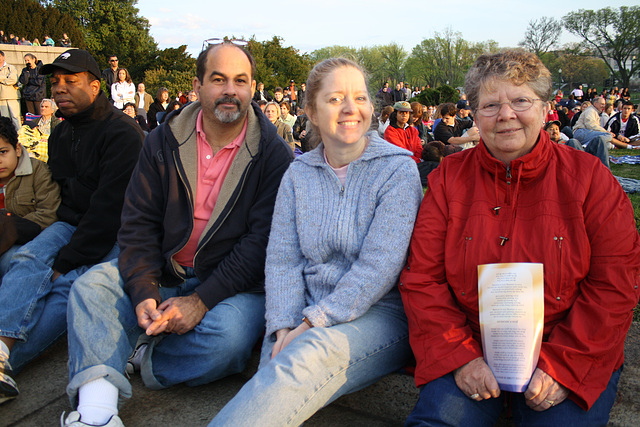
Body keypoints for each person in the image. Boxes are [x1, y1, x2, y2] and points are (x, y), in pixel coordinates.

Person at [400, 50, 640, 427]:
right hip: (469, 348)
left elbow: (616, 284)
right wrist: (460, 357)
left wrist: (564, 366)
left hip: (569, 351)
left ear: (545, 108)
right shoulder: (448, 180)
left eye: (521, 101)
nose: (506, 114)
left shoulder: (591, 180)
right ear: (475, 116)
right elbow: (422, 279)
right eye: (490, 104)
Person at [61, 40, 292, 427]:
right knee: (89, 288)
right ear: (198, 85)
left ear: (253, 87)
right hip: (166, 271)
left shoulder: (274, 154)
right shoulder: (162, 141)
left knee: (229, 341)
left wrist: (201, 302)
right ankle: (96, 411)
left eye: (241, 80)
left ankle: (143, 357)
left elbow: (260, 244)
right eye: (218, 79)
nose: (231, 91)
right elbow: (137, 223)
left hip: (231, 285)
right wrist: (144, 288)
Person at [211, 57, 422, 427]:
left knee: (308, 353)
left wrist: (308, 326)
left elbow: (379, 267)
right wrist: (281, 328)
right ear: (310, 110)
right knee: (277, 359)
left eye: (359, 97)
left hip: (380, 314)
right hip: (305, 306)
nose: (350, 108)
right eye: (336, 98)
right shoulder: (298, 173)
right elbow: (282, 261)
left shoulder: (397, 169)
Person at [0, 49, 144, 404]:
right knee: (28, 258)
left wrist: (65, 261)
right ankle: (1, 352)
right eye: (56, 82)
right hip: (70, 224)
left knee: (68, 287)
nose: (60, 88)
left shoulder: (124, 134)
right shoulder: (59, 135)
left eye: (70, 80)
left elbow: (109, 211)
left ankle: (10, 360)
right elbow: (65, 200)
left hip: (116, 233)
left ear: (95, 87)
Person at [0, 116, 60, 270]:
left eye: (3, 152)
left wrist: (10, 228)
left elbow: (49, 213)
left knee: (12, 261)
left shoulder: (38, 171)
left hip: (29, 240)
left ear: (17, 149)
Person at [572, 96, 613, 168]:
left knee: (607, 144)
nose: (603, 106)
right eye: (602, 104)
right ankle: (587, 145)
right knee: (608, 136)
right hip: (581, 132)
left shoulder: (595, 112)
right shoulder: (590, 111)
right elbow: (590, 125)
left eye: (604, 104)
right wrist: (605, 131)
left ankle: (588, 146)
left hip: (586, 133)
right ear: (595, 103)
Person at [0, 50, 20, 131]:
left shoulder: (10, 67)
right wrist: (5, 77)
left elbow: (13, 79)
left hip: (12, 96)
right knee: (5, 119)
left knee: (15, 117)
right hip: (1, 97)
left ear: (3, 57)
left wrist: (2, 80)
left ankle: (19, 136)